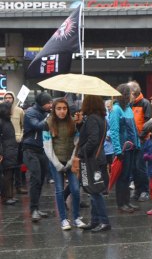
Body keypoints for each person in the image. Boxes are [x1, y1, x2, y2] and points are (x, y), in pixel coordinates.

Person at [42, 98, 85, 230]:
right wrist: (57, 164)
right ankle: (63, 219)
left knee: (76, 190)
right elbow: (47, 146)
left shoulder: (73, 122)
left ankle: (77, 217)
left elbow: (77, 142)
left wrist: (71, 160)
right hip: (56, 162)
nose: (62, 111)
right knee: (59, 191)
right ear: (54, 109)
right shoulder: (47, 123)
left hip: (70, 161)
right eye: (59, 108)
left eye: (64, 108)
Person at [77, 95, 111, 232]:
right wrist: (80, 125)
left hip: (92, 160)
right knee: (93, 190)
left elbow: (92, 140)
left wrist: (81, 152)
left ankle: (103, 221)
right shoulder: (101, 118)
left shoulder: (91, 119)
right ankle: (95, 220)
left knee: (95, 191)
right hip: (99, 158)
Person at [109, 83, 140, 213]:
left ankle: (126, 201)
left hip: (131, 148)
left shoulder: (128, 108)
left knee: (127, 176)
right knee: (122, 177)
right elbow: (114, 131)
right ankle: (121, 203)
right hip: (122, 149)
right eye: (129, 93)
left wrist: (137, 144)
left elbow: (133, 129)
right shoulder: (116, 110)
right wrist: (117, 150)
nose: (132, 96)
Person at [22, 92, 53, 221]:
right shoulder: (31, 112)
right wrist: (49, 116)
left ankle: (37, 208)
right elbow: (38, 126)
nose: (50, 105)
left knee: (40, 179)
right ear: (41, 102)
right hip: (30, 149)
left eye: (51, 102)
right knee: (35, 178)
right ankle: (33, 209)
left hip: (42, 149)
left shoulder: (45, 113)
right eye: (48, 103)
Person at [127, 81, 152, 203]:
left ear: (134, 92)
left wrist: (140, 136)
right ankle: (138, 190)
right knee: (133, 167)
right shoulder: (129, 104)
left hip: (142, 140)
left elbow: (147, 123)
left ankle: (145, 190)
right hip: (131, 140)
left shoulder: (145, 103)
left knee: (140, 166)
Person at [4, 91, 26, 194]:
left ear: (13, 99)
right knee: (7, 167)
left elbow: (23, 125)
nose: (8, 99)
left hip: (17, 141)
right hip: (6, 143)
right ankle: (7, 190)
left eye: (10, 97)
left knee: (18, 165)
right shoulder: (2, 111)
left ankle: (18, 186)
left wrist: (21, 136)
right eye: (6, 98)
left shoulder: (20, 111)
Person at [0, 102, 19, 205]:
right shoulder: (2, 122)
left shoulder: (7, 121)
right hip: (6, 151)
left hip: (10, 150)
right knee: (7, 175)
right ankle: (6, 197)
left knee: (10, 174)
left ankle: (10, 195)